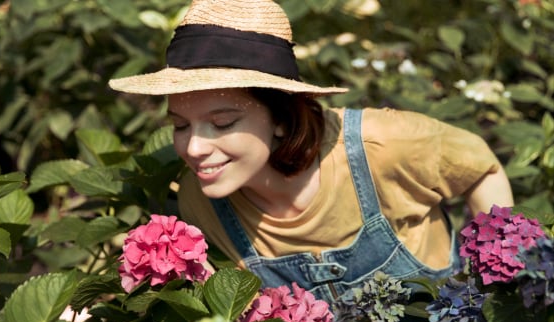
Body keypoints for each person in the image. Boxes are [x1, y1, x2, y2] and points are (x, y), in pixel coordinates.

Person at [108, 0, 514, 303]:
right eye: (179, 125)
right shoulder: (204, 203)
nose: (194, 147)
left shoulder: (380, 145)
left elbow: (483, 168)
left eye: (224, 122)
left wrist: (493, 283)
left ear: (281, 116)